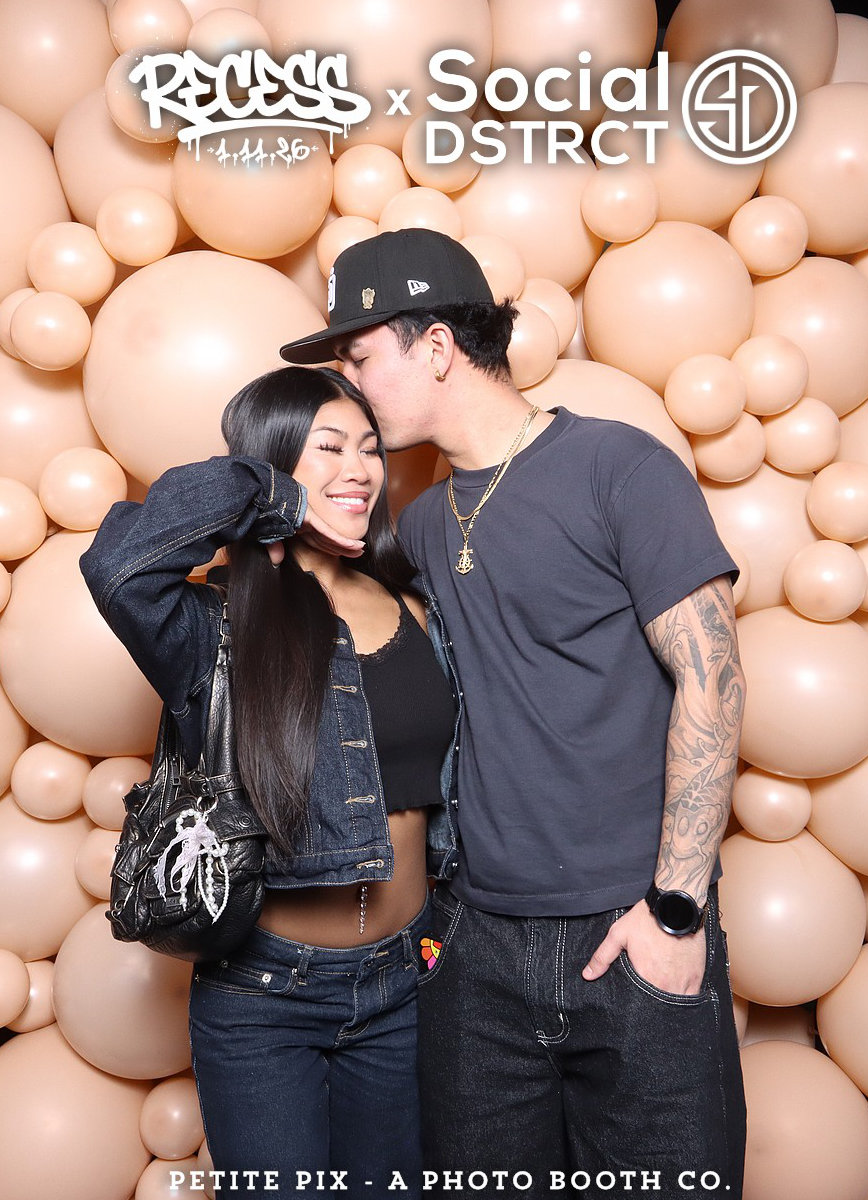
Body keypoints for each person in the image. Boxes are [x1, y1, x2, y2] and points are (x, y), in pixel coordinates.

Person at [279, 230, 748, 1200]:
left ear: (436, 347)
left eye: (360, 358)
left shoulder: (620, 467)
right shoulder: (417, 523)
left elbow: (714, 680)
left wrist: (675, 911)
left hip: (631, 929)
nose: (350, 387)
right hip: (474, 948)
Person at [80, 365, 459, 1200]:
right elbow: (117, 565)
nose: (359, 469)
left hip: (409, 977)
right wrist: (275, 499)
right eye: (329, 447)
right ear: (275, 460)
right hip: (264, 998)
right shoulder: (210, 624)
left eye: (370, 448)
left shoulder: (417, 606)